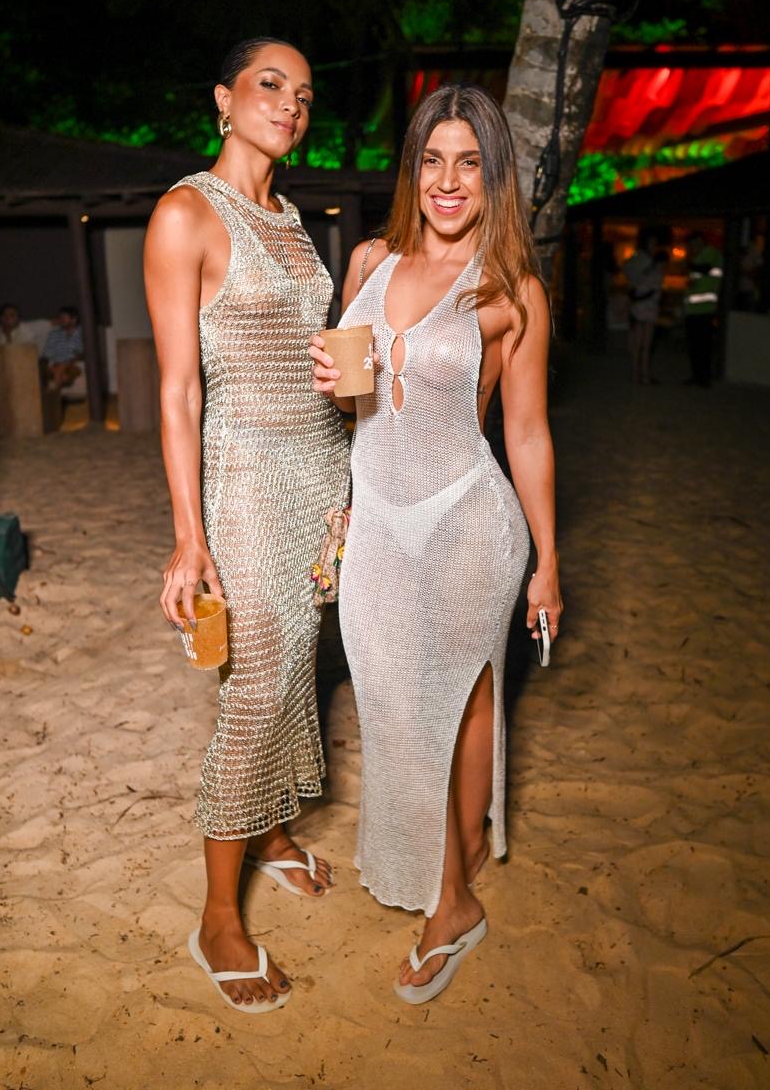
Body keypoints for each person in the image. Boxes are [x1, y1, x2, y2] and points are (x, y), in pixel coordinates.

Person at [310, 84, 562, 1004]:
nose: (448, 181)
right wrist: (338, 383)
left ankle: (453, 900)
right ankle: (454, 851)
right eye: (432, 160)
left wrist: (548, 562)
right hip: (379, 521)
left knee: (460, 697)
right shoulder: (371, 261)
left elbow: (525, 432)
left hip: (468, 520)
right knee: (394, 706)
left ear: (493, 177)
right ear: (412, 169)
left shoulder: (512, 290)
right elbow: (356, 409)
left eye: (469, 163)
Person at [144, 38, 350, 1014]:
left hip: (322, 471)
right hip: (248, 480)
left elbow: (314, 356)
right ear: (224, 99)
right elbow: (178, 390)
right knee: (256, 684)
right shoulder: (186, 213)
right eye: (271, 85)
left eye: (304, 94)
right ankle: (218, 918)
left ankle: (269, 831)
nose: (290, 105)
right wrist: (190, 536)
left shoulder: (294, 219)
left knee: (298, 658)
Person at [623, 227, 665, 384]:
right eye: (651, 242)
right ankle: (639, 375)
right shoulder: (643, 261)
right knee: (641, 345)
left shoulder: (645, 261)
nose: (653, 245)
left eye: (655, 243)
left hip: (646, 307)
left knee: (644, 345)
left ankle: (642, 375)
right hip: (643, 308)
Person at [683, 231, 723, 387]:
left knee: (704, 345)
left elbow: (707, 269)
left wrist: (690, 265)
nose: (692, 248)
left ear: (700, 242)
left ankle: (704, 379)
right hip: (693, 309)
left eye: (693, 245)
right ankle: (696, 376)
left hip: (705, 309)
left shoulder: (713, 254)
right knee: (694, 346)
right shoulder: (697, 257)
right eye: (690, 246)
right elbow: (696, 281)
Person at [41, 305, 83, 390]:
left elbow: (83, 353)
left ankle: (55, 390)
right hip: (55, 364)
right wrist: (50, 365)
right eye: (60, 318)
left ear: (74, 319)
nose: (60, 320)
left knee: (61, 369)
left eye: (63, 318)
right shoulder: (54, 334)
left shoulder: (82, 333)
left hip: (74, 363)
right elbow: (46, 354)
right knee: (56, 370)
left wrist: (66, 363)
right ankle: (58, 386)